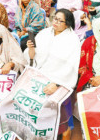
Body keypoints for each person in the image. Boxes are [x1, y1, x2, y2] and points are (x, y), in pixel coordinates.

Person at [25, 9, 81, 139]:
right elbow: (33, 60)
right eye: (55, 18)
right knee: (37, 120)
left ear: (67, 24)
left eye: (60, 21)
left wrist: (56, 84)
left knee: (62, 126)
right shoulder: (44, 34)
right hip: (40, 80)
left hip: (60, 84)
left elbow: (70, 67)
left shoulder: (72, 40)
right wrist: (31, 49)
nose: (55, 22)